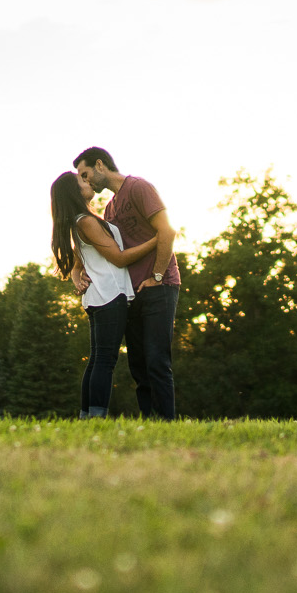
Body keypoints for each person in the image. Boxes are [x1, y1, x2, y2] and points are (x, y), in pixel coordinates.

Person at [72, 147, 180, 420]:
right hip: (131, 293)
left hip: (160, 284)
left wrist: (156, 277)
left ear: (100, 165)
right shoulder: (109, 209)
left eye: (85, 174)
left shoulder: (139, 188)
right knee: (138, 365)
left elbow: (166, 231)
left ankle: (167, 423)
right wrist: (76, 272)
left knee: (157, 361)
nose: (85, 181)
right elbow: (97, 251)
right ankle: (150, 422)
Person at [50, 171, 157, 418]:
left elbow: (79, 263)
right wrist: (156, 240)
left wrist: (77, 276)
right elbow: (119, 259)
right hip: (109, 295)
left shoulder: (83, 221)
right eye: (81, 181)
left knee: (98, 359)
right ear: (74, 192)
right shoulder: (85, 221)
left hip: (99, 297)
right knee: (104, 361)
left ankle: (87, 416)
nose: (87, 182)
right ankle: (96, 416)